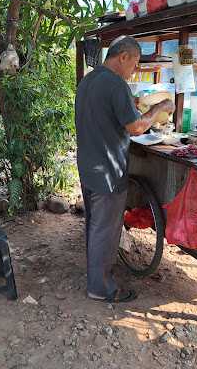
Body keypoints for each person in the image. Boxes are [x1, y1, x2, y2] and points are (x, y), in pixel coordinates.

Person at [75, 35, 175, 303]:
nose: (135, 70)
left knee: (96, 226)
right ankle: (101, 287)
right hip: (107, 168)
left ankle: (97, 276)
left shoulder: (88, 80)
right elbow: (136, 127)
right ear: (124, 57)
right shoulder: (116, 84)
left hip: (88, 165)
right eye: (136, 63)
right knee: (105, 230)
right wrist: (159, 108)